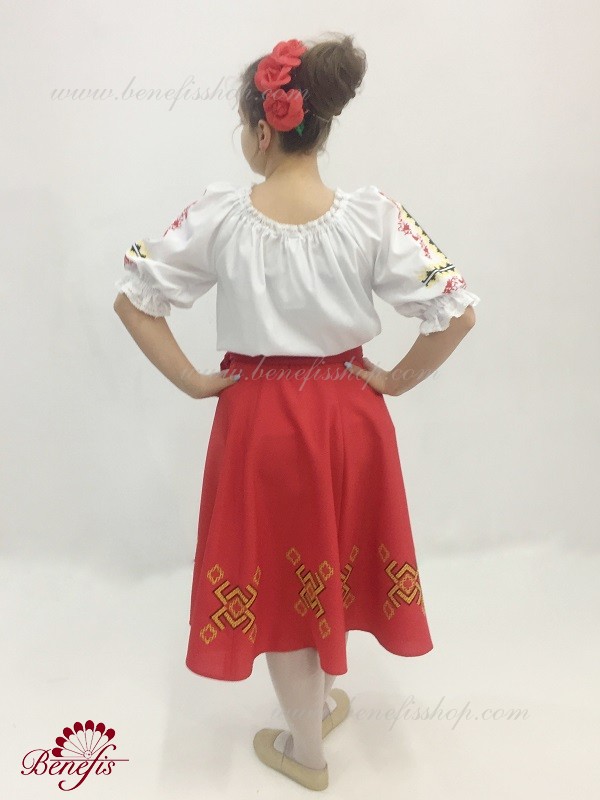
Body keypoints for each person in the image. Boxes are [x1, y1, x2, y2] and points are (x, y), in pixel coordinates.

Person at [113, 33, 480, 792]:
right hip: (350, 416)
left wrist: (193, 381)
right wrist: (395, 380)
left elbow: (134, 299)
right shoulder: (374, 215)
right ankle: (312, 721)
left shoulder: (220, 215)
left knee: (282, 585)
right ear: (319, 126)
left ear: (261, 130)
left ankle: (304, 748)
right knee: (328, 563)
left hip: (260, 423)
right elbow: (457, 310)